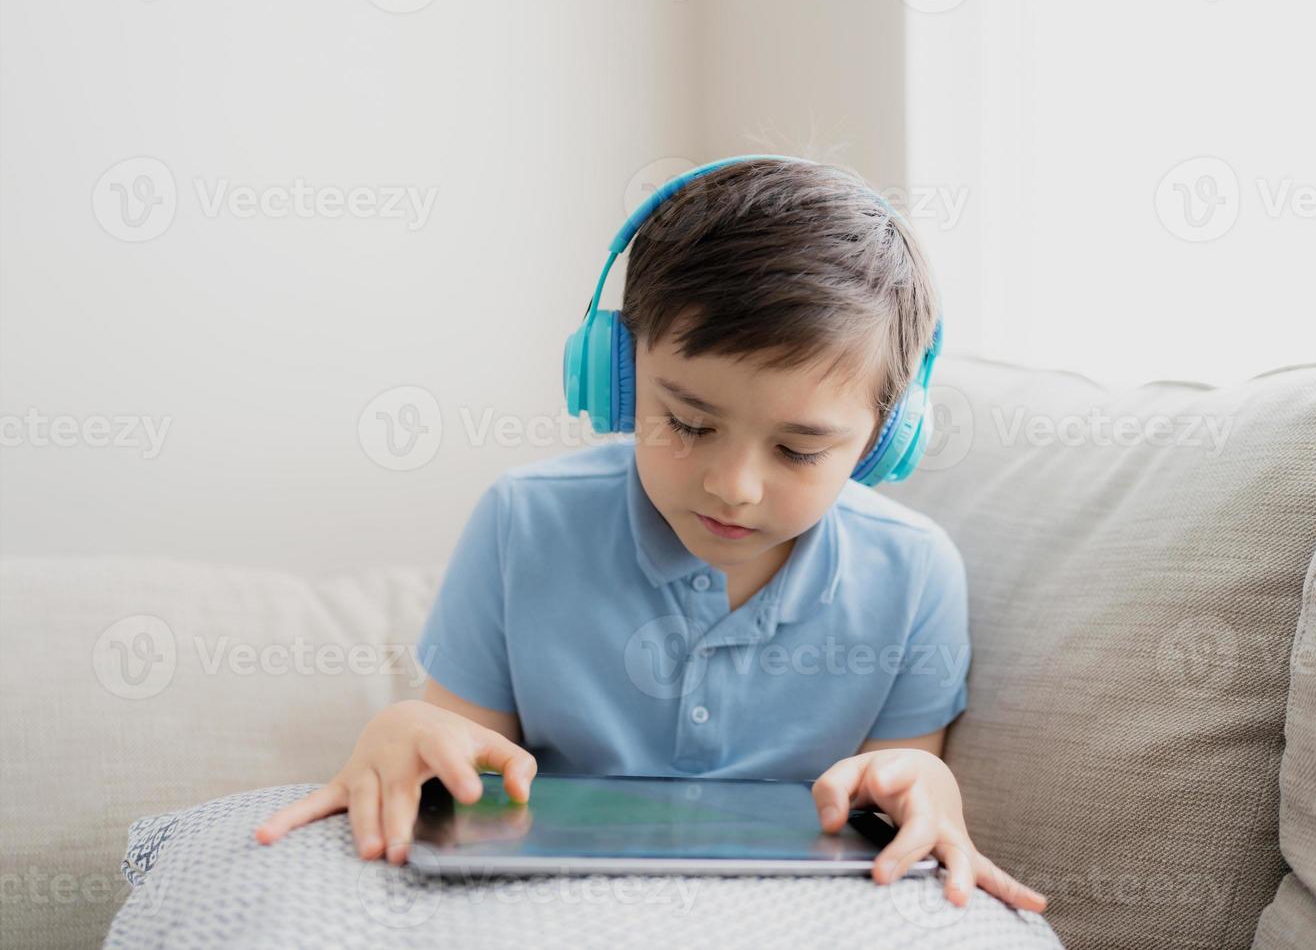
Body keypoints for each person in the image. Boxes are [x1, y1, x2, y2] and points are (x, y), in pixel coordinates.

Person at [255, 156, 1047, 913]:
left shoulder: (915, 574)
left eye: (798, 450)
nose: (734, 487)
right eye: (690, 423)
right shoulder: (520, 523)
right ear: (617, 374)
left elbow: (900, 782)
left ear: (885, 437)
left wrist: (926, 785)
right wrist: (410, 732)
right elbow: (461, 759)